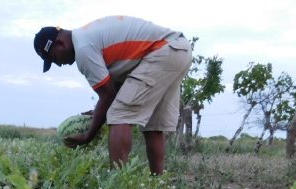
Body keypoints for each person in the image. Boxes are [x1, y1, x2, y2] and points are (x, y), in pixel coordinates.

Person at [34, 16, 192, 175]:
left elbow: (108, 95)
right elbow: (113, 91)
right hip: (179, 50)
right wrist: (99, 112)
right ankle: (157, 181)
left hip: (164, 51)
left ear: (61, 43)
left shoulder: (83, 49)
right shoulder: (87, 37)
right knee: (154, 126)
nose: (59, 64)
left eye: (54, 58)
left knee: (119, 116)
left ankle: (117, 183)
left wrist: (89, 135)